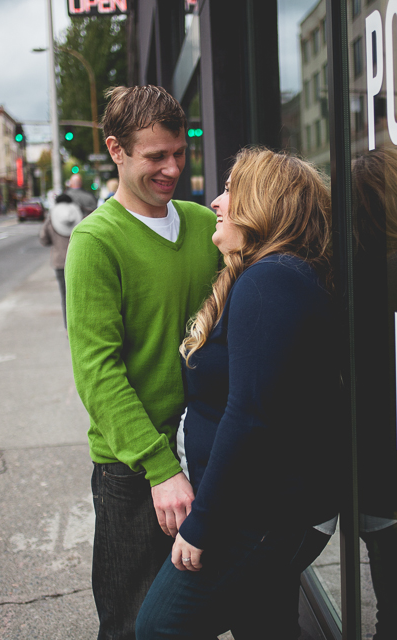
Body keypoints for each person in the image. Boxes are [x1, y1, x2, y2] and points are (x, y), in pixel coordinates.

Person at [136, 148, 340, 639]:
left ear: (263, 204)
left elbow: (250, 416)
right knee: (266, 628)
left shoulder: (272, 281)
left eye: (230, 190)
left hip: (261, 513)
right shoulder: (265, 276)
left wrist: (203, 523)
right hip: (257, 505)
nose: (216, 202)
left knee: (159, 626)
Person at [64, 85, 220, 640]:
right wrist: (161, 470)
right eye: (156, 156)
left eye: (180, 152)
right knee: (132, 624)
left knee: (192, 623)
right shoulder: (96, 242)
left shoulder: (207, 227)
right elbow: (98, 373)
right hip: (134, 473)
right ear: (116, 150)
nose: (172, 168)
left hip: (203, 457)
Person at [39, 194, 83, 328]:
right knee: (80, 296)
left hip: (60, 262)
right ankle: (81, 326)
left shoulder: (51, 219)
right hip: (79, 261)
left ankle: (68, 329)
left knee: (65, 297)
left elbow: (43, 240)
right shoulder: (80, 217)